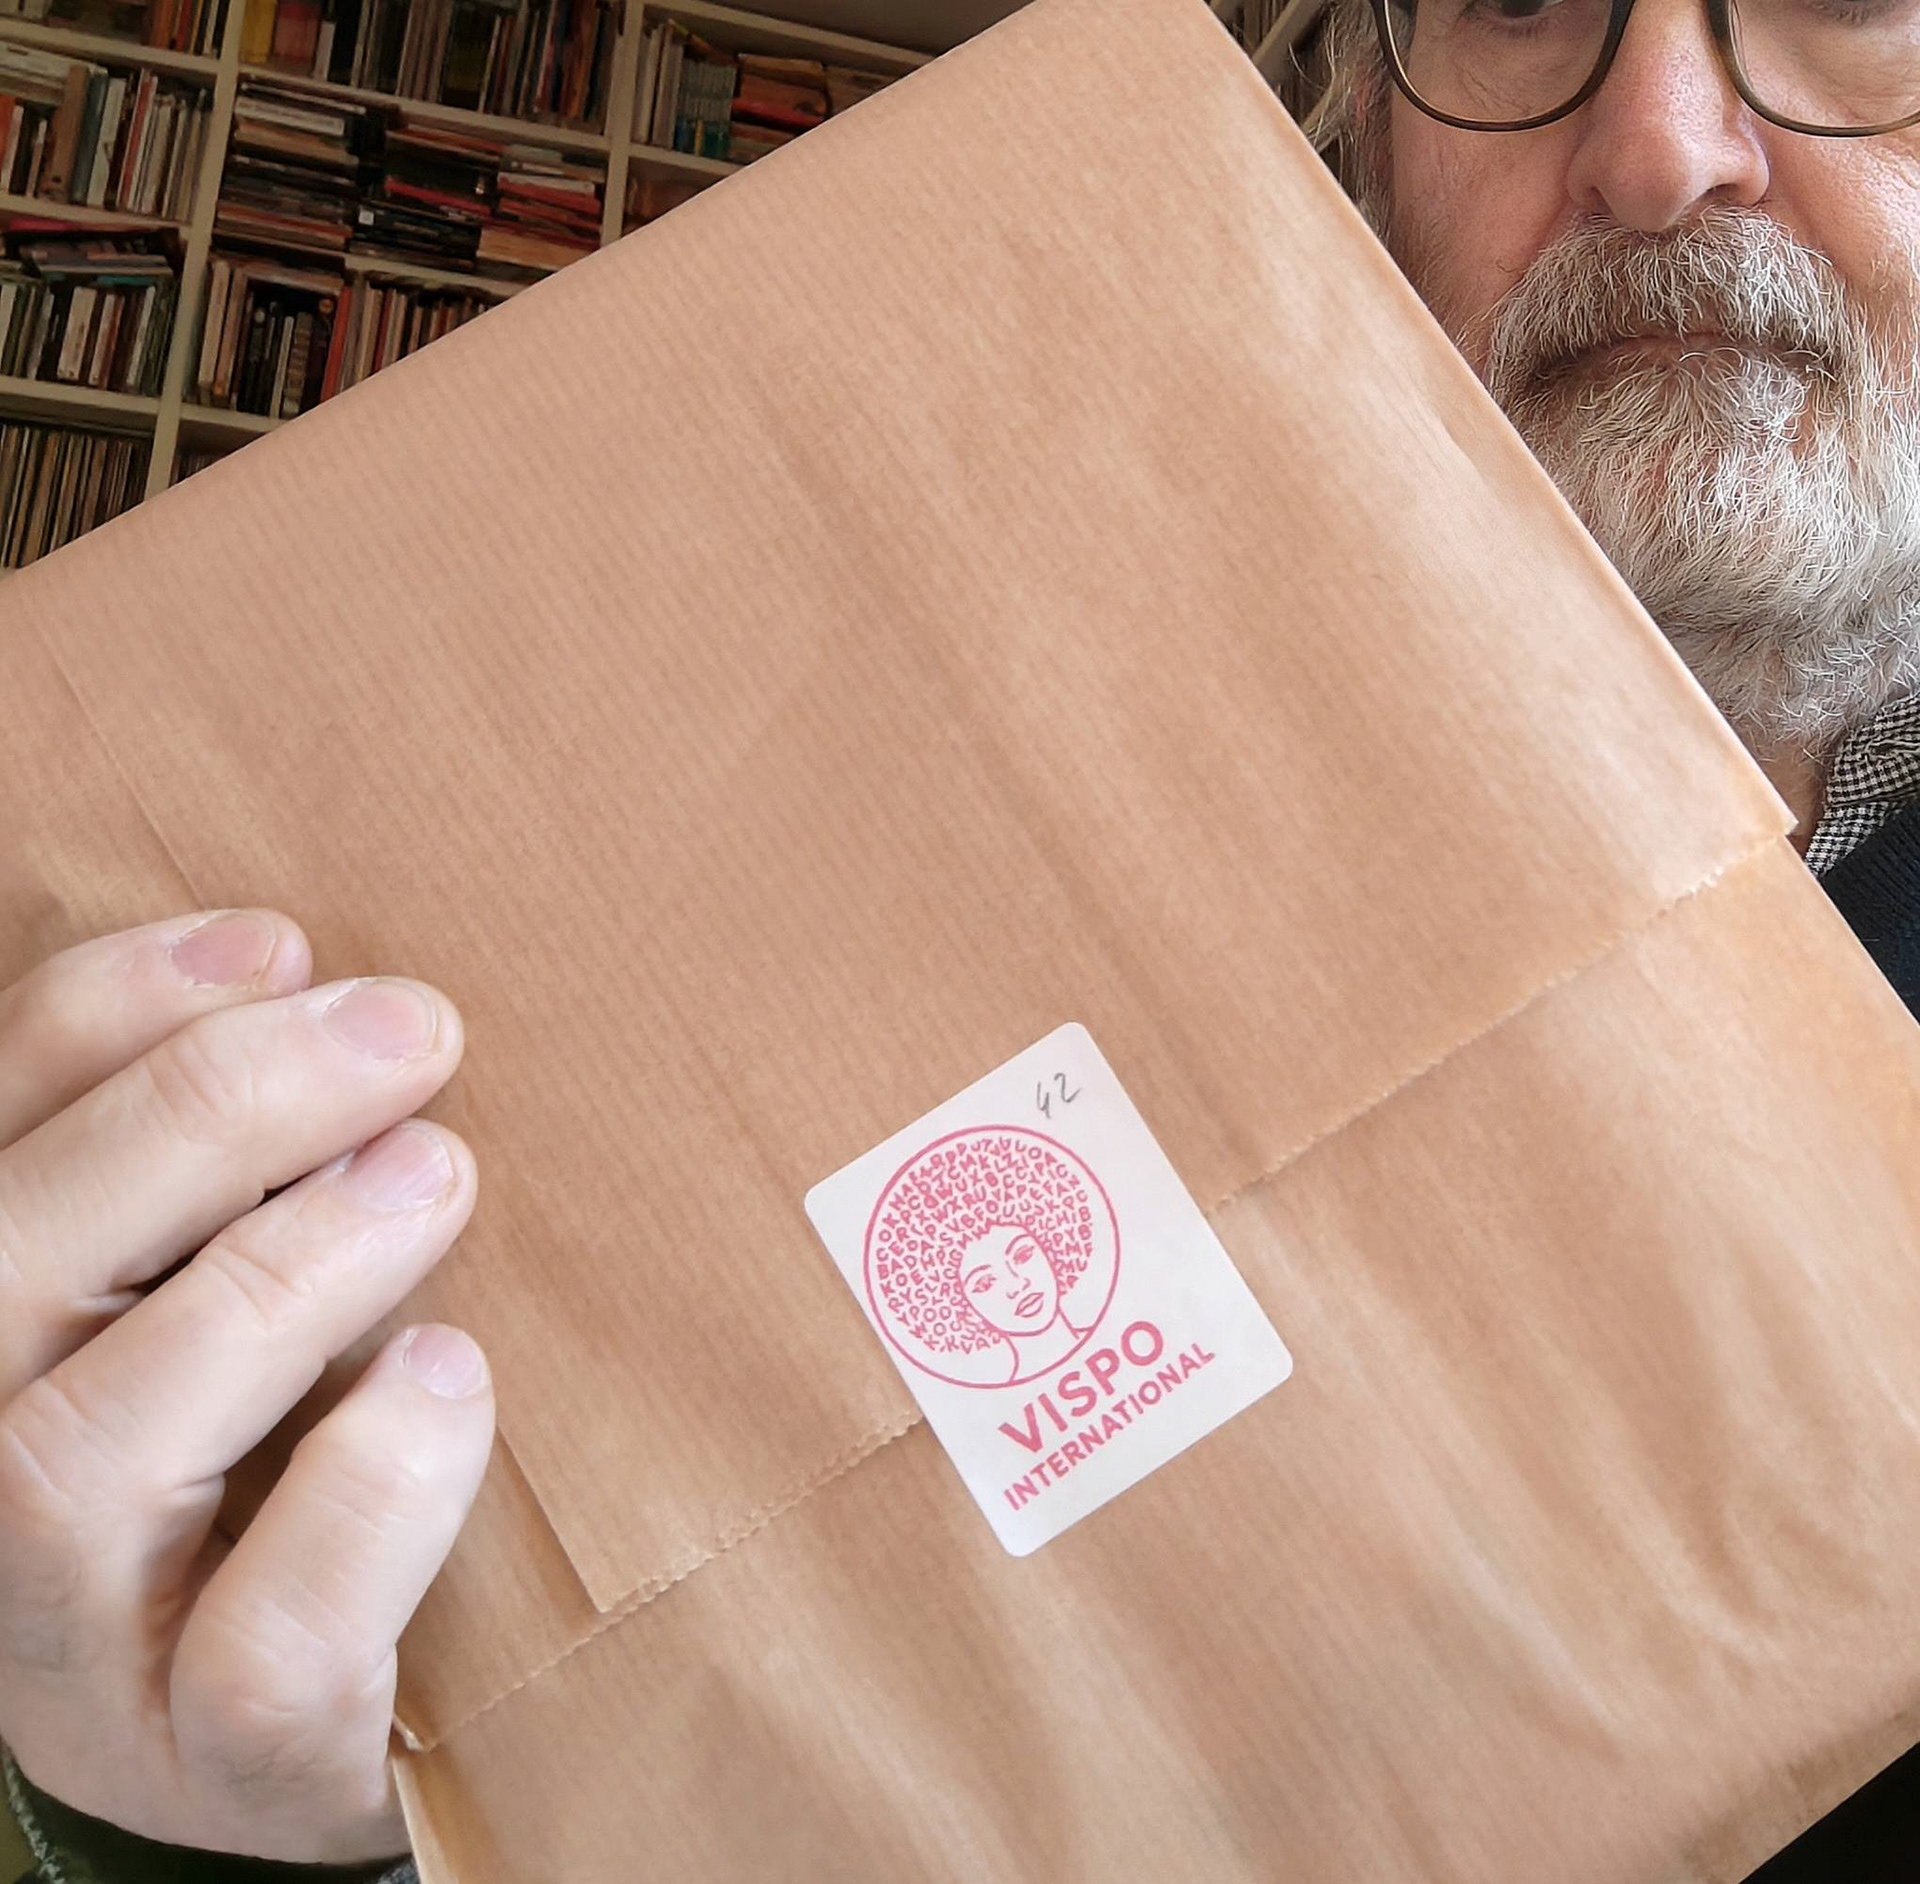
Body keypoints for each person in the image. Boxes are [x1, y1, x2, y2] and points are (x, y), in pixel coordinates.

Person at [1, 0, 1916, 1876]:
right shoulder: (939, 755)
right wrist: (305, 1798)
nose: (1659, 145)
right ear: (1359, 140)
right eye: (1511, 1)